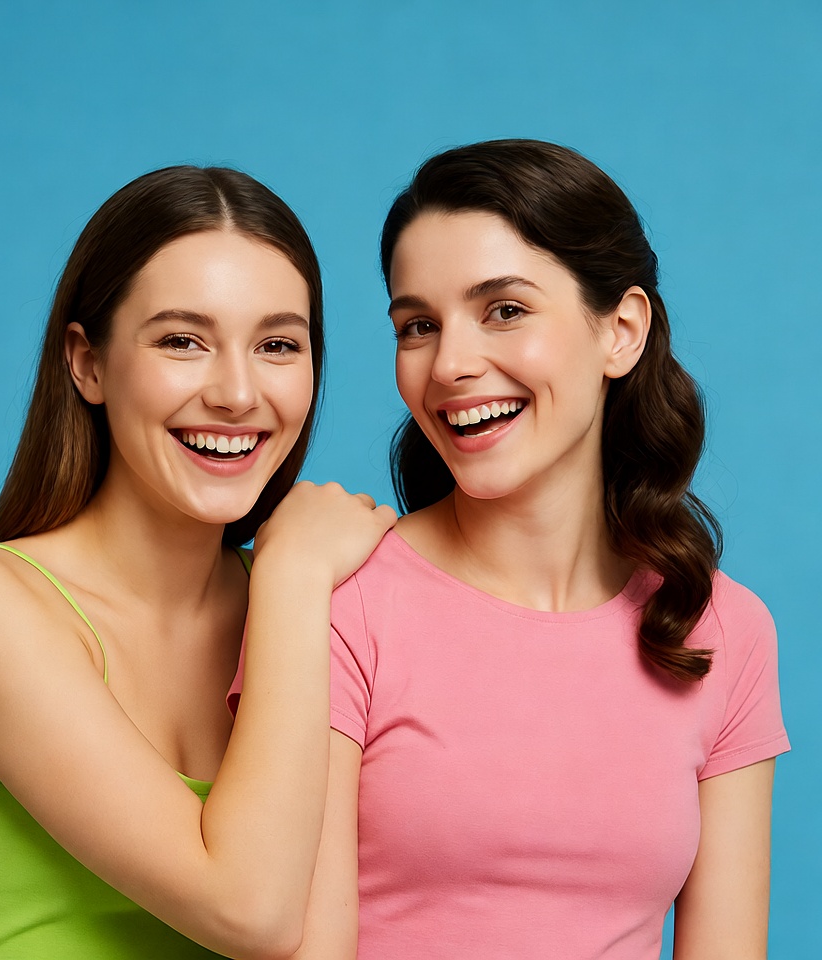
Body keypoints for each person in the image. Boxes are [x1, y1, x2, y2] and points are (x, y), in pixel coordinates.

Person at [281, 141, 789, 959]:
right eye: (417, 326)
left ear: (621, 331)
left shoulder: (722, 631)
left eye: (504, 310)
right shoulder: (338, 604)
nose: (450, 364)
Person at [0, 165, 396, 960]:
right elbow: (250, 914)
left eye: (277, 344)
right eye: (182, 341)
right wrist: (293, 576)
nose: (237, 393)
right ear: (87, 363)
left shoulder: (320, 611)